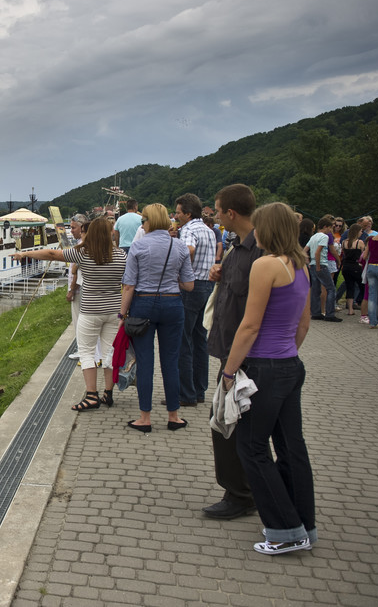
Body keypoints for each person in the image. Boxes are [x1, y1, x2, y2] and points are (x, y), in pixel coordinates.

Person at [221, 202, 315, 555]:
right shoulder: (301, 264)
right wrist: (286, 354)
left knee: (252, 448)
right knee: (292, 447)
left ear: (268, 230)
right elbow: (303, 323)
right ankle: (305, 523)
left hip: (263, 367)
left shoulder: (265, 265)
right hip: (290, 364)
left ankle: (284, 529)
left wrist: (230, 371)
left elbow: (250, 325)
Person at [15, 217, 127, 410]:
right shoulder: (121, 256)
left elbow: (51, 253)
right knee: (110, 352)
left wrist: (24, 254)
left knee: (86, 351)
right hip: (113, 310)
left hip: (91, 310)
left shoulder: (83, 253)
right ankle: (108, 393)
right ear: (110, 234)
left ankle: (91, 395)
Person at [201, 183, 261, 520]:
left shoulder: (259, 253)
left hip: (243, 356)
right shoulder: (237, 249)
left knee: (229, 423)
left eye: (218, 210)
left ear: (231, 213)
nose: (216, 215)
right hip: (230, 349)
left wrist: (230, 368)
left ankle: (240, 494)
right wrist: (218, 276)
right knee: (226, 423)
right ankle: (240, 489)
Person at [119, 203, 195, 432]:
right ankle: (174, 416)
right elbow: (189, 285)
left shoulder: (138, 246)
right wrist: (172, 279)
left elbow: (129, 285)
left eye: (143, 220)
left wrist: (122, 314)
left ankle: (145, 418)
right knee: (171, 362)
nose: (142, 223)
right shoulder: (180, 246)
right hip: (173, 303)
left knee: (145, 362)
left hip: (144, 304)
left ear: (150, 221)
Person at [174, 193, 217, 406]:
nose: (176, 216)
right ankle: (199, 390)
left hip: (191, 287)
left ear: (188, 213)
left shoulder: (189, 229)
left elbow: (188, 249)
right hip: (207, 285)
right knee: (200, 339)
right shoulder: (208, 230)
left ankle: (185, 393)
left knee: (183, 340)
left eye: (178, 212)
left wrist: (180, 268)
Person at [306, 216, 341, 322]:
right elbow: (318, 252)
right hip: (321, 264)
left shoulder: (313, 236)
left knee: (315, 289)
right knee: (331, 288)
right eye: (330, 228)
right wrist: (317, 265)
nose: (331, 230)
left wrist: (309, 263)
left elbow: (304, 251)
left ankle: (316, 312)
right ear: (325, 227)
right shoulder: (324, 237)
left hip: (312, 264)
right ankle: (330, 314)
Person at [66, 214, 88, 360]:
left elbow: (75, 271)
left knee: (78, 321)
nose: (71, 230)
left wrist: (71, 290)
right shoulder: (86, 244)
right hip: (83, 288)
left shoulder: (80, 246)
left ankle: (82, 350)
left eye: (74, 227)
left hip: (79, 290)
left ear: (82, 227)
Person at [338, 223, 365, 316]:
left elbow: (343, 254)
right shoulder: (359, 242)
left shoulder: (344, 242)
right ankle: (362, 305)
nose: (362, 233)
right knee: (363, 287)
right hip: (356, 267)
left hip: (346, 267)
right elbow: (363, 255)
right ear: (357, 231)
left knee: (350, 287)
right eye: (361, 231)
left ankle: (350, 309)